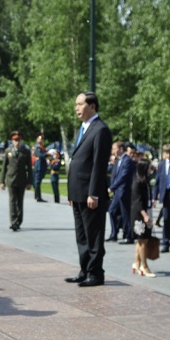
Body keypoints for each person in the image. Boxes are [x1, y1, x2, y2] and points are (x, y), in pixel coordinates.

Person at [65, 91, 113, 287]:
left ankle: (95, 273)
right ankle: (85, 270)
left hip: (90, 194)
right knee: (82, 235)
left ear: (92, 106)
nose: (76, 108)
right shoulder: (84, 128)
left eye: (80, 104)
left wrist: (93, 193)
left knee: (93, 236)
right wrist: (71, 193)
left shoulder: (100, 129)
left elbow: (98, 165)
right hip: (78, 193)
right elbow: (77, 161)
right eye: (76, 104)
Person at [0, 131, 32, 231]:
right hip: (11, 180)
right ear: (12, 141)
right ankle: (13, 221)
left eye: (18, 140)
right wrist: (2, 181)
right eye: (15, 140)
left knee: (20, 201)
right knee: (12, 201)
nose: (17, 142)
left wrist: (29, 182)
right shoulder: (8, 151)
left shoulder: (25, 151)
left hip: (22, 180)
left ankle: (19, 220)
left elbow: (29, 168)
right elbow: (4, 167)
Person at [131, 159, 156, 277]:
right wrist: (145, 216)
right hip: (139, 215)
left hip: (146, 211)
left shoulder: (145, 181)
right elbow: (137, 201)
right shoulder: (137, 182)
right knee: (143, 241)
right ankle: (144, 266)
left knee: (142, 240)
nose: (151, 170)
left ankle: (137, 262)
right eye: (149, 168)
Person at [107, 141, 134, 244]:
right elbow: (114, 176)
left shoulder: (127, 160)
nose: (113, 151)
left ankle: (128, 236)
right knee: (112, 211)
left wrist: (112, 188)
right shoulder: (118, 161)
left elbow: (123, 176)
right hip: (118, 192)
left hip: (124, 191)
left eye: (114, 148)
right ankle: (114, 234)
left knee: (125, 214)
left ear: (121, 149)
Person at [32, 134, 48, 202]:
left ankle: (36, 196)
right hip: (39, 166)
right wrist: (47, 154)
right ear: (37, 139)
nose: (41, 140)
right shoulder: (38, 147)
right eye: (40, 138)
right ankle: (38, 197)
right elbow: (40, 155)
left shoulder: (41, 147)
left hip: (40, 166)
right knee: (37, 182)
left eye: (42, 139)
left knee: (37, 182)